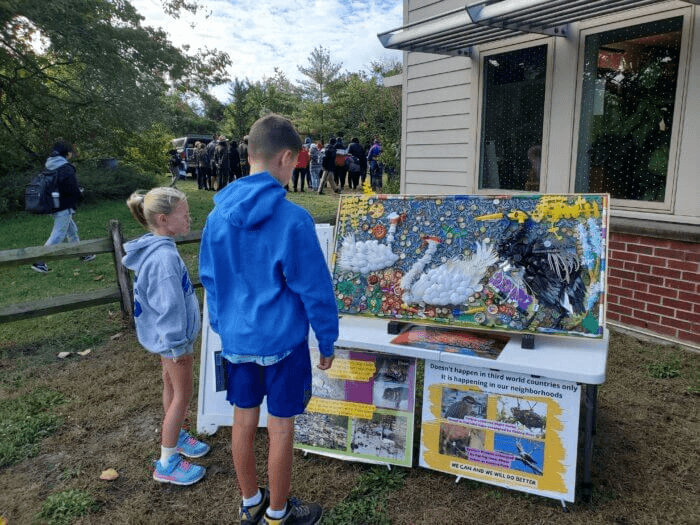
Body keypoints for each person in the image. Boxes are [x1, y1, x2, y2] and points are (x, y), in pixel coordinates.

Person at [199, 114, 338, 525]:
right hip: (283, 347)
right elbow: (315, 289)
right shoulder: (293, 219)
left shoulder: (215, 217)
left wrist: (225, 328)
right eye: (296, 162)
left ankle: (250, 504)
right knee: (280, 429)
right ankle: (277, 515)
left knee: (241, 422)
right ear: (286, 157)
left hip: (238, 342)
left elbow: (210, 280)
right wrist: (326, 340)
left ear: (249, 154)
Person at [123, 187, 209, 486]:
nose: (189, 218)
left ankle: (178, 435)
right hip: (174, 342)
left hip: (165, 340)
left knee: (171, 387)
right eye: (184, 214)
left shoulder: (159, 248)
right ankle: (167, 461)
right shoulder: (164, 261)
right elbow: (169, 306)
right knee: (182, 396)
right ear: (163, 219)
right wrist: (178, 345)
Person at [31, 140, 95, 273]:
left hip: (52, 204)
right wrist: (80, 193)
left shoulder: (49, 165)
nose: (71, 154)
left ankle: (82, 253)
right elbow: (72, 189)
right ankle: (40, 261)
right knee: (58, 234)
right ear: (66, 153)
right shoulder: (66, 168)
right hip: (63, 205)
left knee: (72, 230)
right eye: (70, 152)